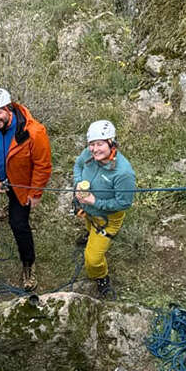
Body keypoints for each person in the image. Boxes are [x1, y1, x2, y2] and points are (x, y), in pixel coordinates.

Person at [0, 87, 53, 291]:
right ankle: (9, 203)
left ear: (9, 109)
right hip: (2, 181)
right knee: (13, 206)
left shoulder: (33, 132)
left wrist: (35, 193)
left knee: (18, 225)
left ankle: (28, 263)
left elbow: (43, 165)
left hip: (22, 185)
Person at [72, 119, 137, 299]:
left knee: (92, 259)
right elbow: (78, 165)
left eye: (99, 144)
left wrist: (96, 202)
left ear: (111, 143)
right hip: (88, 208)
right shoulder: (88, 154)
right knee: (88, 224)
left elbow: (123, 203)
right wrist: (78, 184)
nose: (94, 149)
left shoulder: (123, 173)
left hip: (107, 219)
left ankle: (101, 277)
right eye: (91, 144)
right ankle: (89, 234)